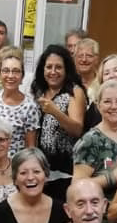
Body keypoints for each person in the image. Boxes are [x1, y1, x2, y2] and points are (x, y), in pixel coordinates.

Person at [32, 44, 86, 201]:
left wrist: (55, 111)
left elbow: (77, 129)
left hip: (65, 168)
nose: (53, 72)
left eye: (58, 67)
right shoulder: (38, 90)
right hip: (39, 165)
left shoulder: (74, 91)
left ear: (66, 69)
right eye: (49, 67)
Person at [73, 80, 117, 190]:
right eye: (107, 102)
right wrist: (113, 177)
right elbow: (77, 186)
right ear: (98, 105)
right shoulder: (90, 140)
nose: (114, 106)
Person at [0, 47, 38, 154]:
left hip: (13, 162)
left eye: (16, 71)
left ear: (22, 77)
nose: (10, 75)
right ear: (0, 74)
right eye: (6, 71)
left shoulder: (30, 107)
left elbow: (30, 147)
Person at [73, 38, 100, 104]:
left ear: (96, 59)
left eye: (89, 56)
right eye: (80, 56)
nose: (84, 59)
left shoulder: (103, 82)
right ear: (74, 59)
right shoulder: (68, 83)